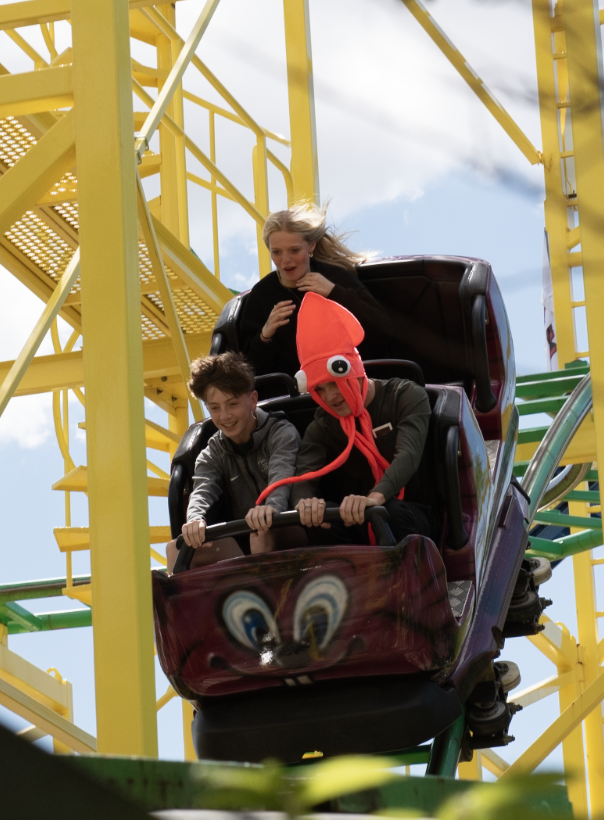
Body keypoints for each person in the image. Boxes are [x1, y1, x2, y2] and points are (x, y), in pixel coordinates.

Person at [254, 293, 436, 546]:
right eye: (319, 389)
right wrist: (304, 504)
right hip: (356, 522)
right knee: (321, 518)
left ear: (353, 372)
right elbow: (305, 473)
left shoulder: (405, 395)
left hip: (414, 516)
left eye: (335, 385)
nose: (329, 397)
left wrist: (374, 498)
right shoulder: (322, 423)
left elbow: (408, 454)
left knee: (389, 512)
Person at [166, 352, 303, 573]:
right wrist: (195, 519)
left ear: (252, 400)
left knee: (262, 530)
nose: (225, 415)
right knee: (178, 547)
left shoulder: (280, 432)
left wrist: (270, 508)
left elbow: (281, 476)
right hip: (245, 540)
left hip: (290, 530)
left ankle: (267, 601)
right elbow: (203, 489)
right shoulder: (213, 451)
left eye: (232, 404)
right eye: (215, 408)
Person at [239, 202, 390, 378]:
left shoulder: (336, 278)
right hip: (296, 398)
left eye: (294, 250)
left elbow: (383, 331)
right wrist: (265, 335)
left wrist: (335, 293)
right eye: (277, 252)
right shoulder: (261, 296)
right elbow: (248, 374)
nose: (285, 260)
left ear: (310, 246)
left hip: (352, 383)